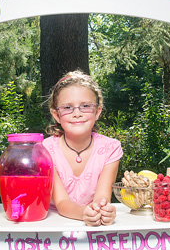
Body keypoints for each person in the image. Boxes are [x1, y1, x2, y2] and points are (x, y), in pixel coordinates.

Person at [43, 70, 122, 226]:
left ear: (97, 111)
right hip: (53, 226)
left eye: (85, 106)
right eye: (67, 107)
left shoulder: (110, 148)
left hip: (93, 226)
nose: (77, 113)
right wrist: (84, 213)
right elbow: (62, 202)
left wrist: (103, 209)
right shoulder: (45, 150)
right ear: (56, 115)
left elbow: (102, 196)